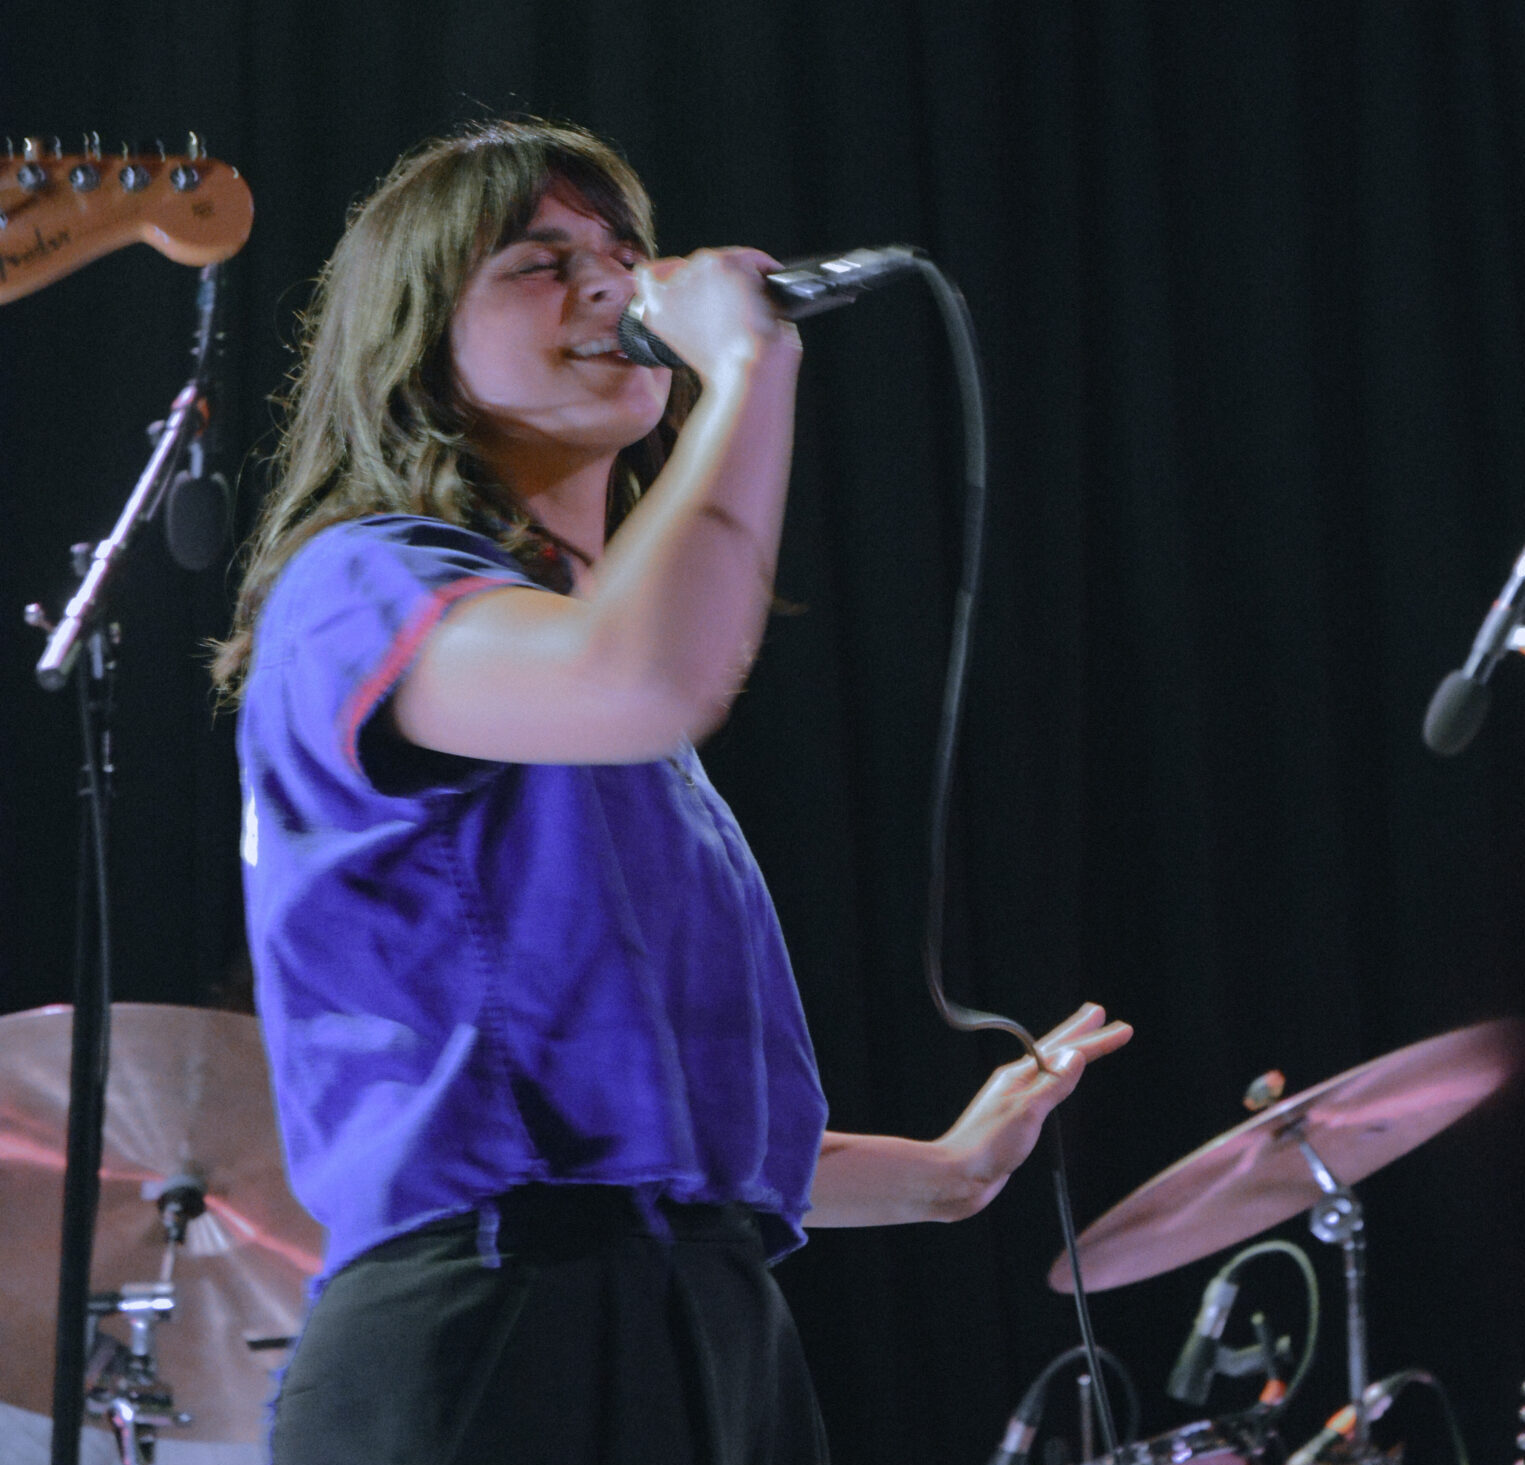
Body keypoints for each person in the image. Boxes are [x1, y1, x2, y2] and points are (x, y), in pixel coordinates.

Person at [212, 119, 1131, 1465]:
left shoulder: (601, 708)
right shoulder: (357, 589)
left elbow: (631, 1138)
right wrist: (750, 360)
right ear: (416, 340)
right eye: (541, 261)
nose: (613, 285)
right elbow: (649, 670)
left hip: (700, 1321)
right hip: (488, 1328)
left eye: (619, 252)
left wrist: (945, 1172)